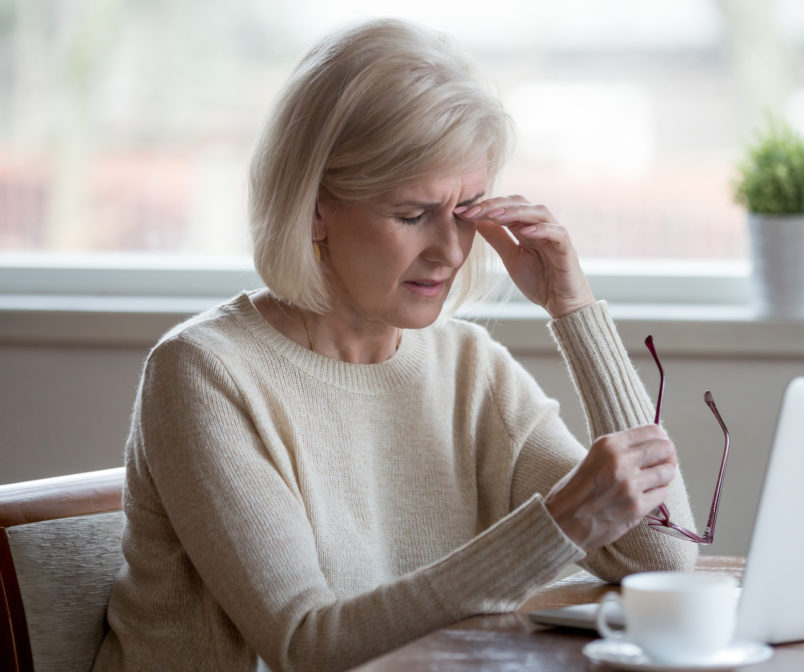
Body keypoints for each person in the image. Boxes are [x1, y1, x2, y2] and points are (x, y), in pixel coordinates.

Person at [92, 18, 697, 672]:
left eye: (466, 212)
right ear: (316, 207)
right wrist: (558, 527)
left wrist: (574, 309)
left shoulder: (469, 368)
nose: (449, 251)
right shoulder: (204, 374)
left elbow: (659, 556)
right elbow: (306, 646)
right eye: (412, 215)